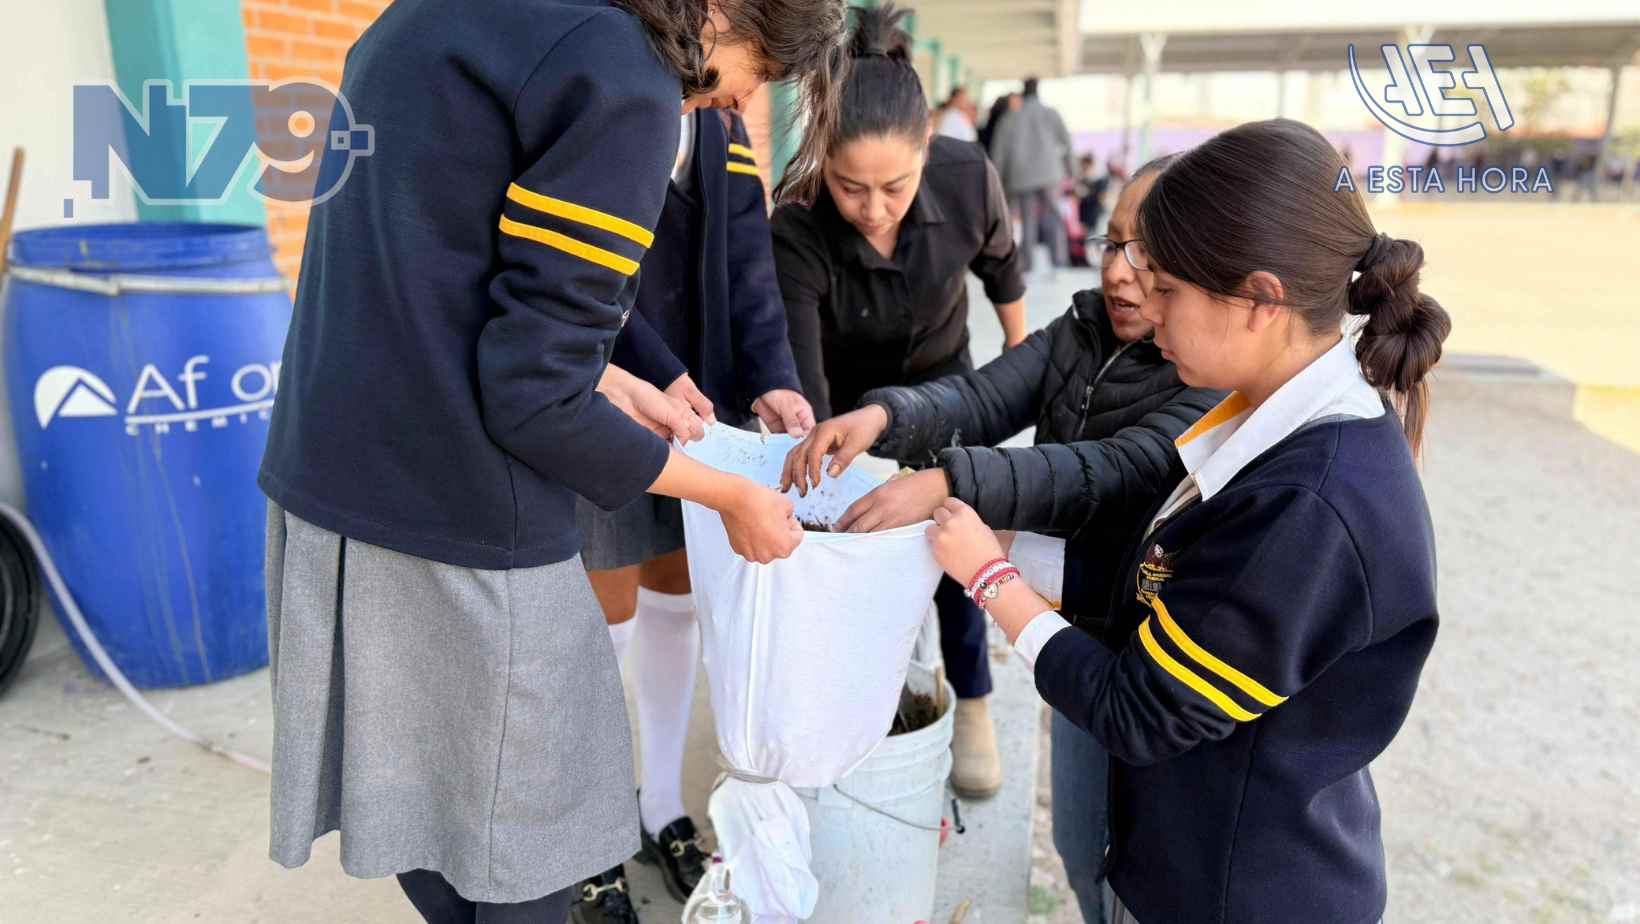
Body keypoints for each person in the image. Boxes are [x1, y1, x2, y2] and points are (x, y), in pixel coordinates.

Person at [256, 2, 846, 922]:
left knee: (423, 813)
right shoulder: (624, 75)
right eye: (757, 73)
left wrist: (614, 375)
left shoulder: (450, 17)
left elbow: (446, 264)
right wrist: (730, 493)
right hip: (459, 509)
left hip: (332, 480)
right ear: (725, 14)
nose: (733, 101)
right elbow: (533, 400)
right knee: (535, 850)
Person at [920, 118, 1450, 923]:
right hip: (1183, 854)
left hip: (1234, 892)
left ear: (1260, 302)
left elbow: (1137, 709)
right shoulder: (1269, 419)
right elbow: (1175, 586)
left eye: (1169, 288)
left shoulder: (1309, 506)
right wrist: (1017, 550)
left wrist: (993, 581)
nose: (1147, 309)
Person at [780, 154, 1221, 922]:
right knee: (1083, 847)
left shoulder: (1211, 379)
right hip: (1071, 632)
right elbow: (983, 394)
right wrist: (882, 418)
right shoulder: (1083, 325)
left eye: (1151, 261)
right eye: (1115, 244)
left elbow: (1110, 470)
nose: (1121, 274)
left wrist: (949, 482)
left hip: (1148, 646)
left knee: (1139, 868)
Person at [769, 1, 1027, 798]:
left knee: (954, 546)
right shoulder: (798, 218)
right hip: (846, 406)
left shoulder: (968, 176)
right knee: (850, 548)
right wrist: (823, 465)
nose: (874, 208)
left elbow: (1005, 278)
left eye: (895, 186)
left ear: (926, 153)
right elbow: (807, 391)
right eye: (852, 188)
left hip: (949, 387)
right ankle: (855, 711)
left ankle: (972, 706)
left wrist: (1022, 379)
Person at [569, 107, 815, 922]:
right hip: (602, 386)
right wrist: (659, 371)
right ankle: (593, 835)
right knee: (605, 616)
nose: (749, 94)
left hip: (699, 404)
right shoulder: (601, 91)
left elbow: (750, 267)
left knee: (680, 598)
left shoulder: (722, 132)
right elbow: (580, 272)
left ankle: (659, 806)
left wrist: (772, 374)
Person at [990, 77, 1075, 274]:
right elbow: (1066, 141)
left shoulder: (1011, 117)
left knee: (1028, 219)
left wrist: (996, 179)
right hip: (1049, 173)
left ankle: (1028, 263)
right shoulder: (1050, 113)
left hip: (1022, 176)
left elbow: (999, 151)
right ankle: (1059, 259)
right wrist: (1073, 171)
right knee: (1054, 215)